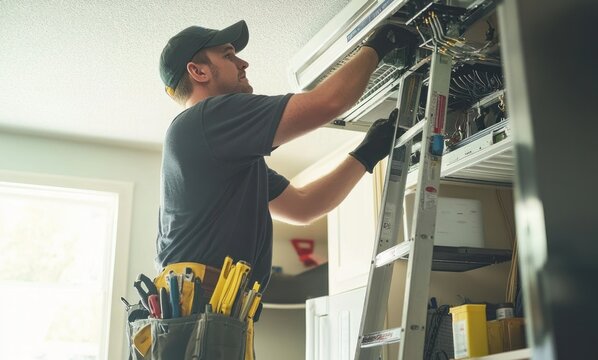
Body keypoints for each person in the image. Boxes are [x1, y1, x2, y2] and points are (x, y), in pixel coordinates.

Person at [155, 20, 416, 315]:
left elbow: (304, 206)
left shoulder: (227, 161)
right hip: (200, 310)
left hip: (211, 313)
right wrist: (380, 43)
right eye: (228, 55)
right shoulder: (205, 120)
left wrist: (367, 153)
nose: (243, 62)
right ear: (198, 71)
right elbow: (328, 102)